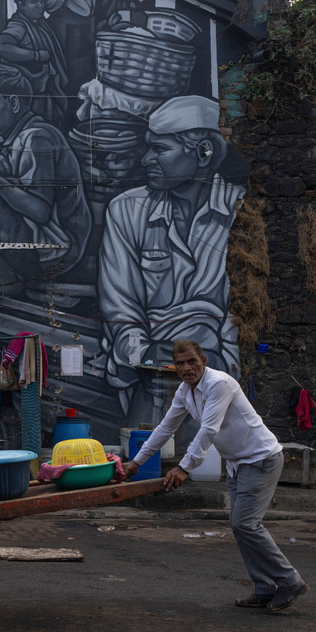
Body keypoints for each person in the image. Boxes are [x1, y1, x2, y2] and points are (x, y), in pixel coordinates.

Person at [123, 340, 308, 612]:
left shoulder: (219, 383)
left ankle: (290, 580)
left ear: (203, 361)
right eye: (180, 364)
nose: (186, 369)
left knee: (246, 524)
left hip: (261, 459)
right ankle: (265, 588)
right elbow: (165, 428)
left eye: (191, 362)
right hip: (237, 463)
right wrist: (136, 462)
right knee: (241, 525)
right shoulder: (185, 391)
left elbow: (209, 430)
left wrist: (184, 467)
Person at [98, 95, 242, 426]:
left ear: (203, 152)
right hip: (152, 376)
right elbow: (120, 306)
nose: (147, 159)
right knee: (143, 455)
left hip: (217, 373)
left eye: (160, 149)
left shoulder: (241, 210)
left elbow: (243, 309)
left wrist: (215, 363)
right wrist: (142, 357)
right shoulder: (127, 210)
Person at [0, 65, 90, 287]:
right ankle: (3, 269)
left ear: (14, 103)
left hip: (58, 248)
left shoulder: (37, 137)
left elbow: (40, 211)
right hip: (43, 241)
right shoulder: (16, 140)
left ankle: (5, 274)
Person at [0, 0, 69, 128]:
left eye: (42, 1)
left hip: (43, 90)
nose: (40, 5)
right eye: (34, 2)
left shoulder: (39, 24)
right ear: (21, 5)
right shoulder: (18, 26)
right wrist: (36, 56)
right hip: (29, 95)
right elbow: (1, 46)